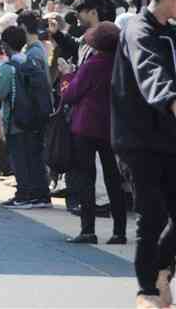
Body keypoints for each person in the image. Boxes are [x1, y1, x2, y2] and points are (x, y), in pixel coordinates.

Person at [111, 0, 176, 309]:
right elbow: (150, 70)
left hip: (169, 138)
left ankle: (162, 268)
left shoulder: (172, 32)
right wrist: (170, 99)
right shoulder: (138, 28)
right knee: (150, 215)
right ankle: (147, 290)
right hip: (138, 138)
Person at [60, 21, 127, 246]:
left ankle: (88, 229)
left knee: (86, 178)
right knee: (113, 178)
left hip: (86, 126)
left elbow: (70, 95)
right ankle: (119, 231)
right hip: (113, 127)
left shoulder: (92, 65)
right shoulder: (123, 65)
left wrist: (67, 77)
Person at [0, 26, 52, 209]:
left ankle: (23, 195)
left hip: (16, 120)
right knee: (35, 157)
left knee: (19, 158)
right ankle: (41, 195)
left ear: (4, 45)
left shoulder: (8, 67)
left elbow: (0, 93)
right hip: (35, 118)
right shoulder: (31, 62)